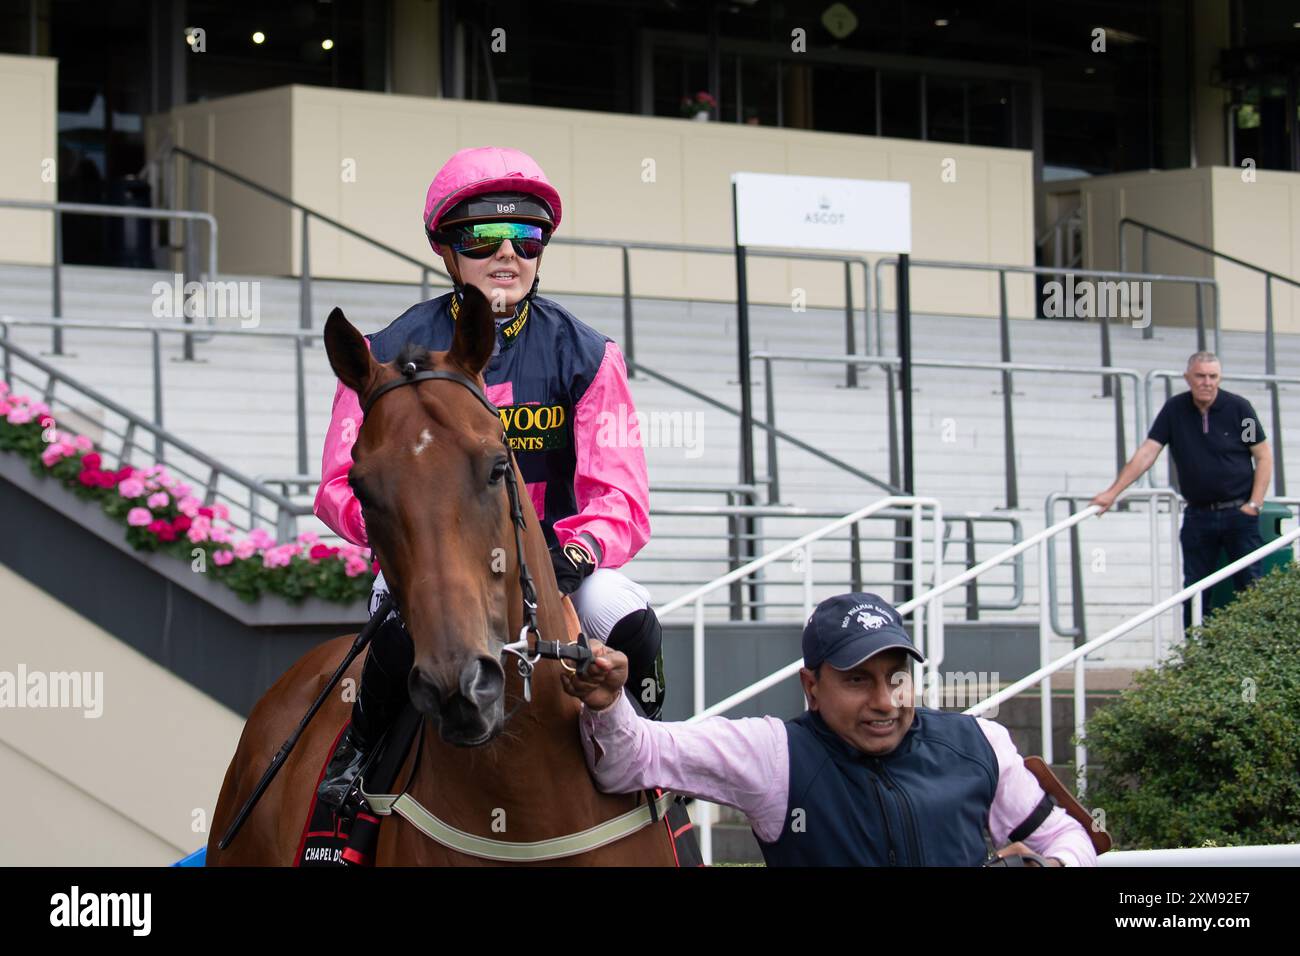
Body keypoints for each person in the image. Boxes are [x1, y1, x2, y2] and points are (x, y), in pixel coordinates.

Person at [312, 146, 667, 810]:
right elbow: (336, 485)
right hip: (429, 561)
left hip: (555, 563)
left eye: (527, 237)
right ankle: (359, 763)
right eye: (481, 237)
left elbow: (620, 495)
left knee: (632, 620)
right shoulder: (380, 354)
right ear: (447, 251)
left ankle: (653, 766)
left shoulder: (588, 354)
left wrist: (575, 556)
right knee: (394, 630)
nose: (508, 253)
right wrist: (404, 524)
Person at [562, 591, 1099, 866]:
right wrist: (609, 704)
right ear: (811, 685)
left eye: (896, 678)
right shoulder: (773, 755)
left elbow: (1068, 835)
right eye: (859, 680)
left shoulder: (978, 741)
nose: (885, 702)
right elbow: (634, 761)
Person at [1091, 351, 1272, 627]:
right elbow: (1147, 453)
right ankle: (1195, 659)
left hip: (1239, 513)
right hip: (1199, 515)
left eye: (1213, 376)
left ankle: (1258, 656)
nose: (1207, 382)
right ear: (1188, 378)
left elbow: (1262, 455)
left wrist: (1255, 504)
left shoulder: (1239, 409)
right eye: (1200, 376)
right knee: (1195, 590)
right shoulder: (1175, 410)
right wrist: (1112, 493)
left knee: (1252, 586)